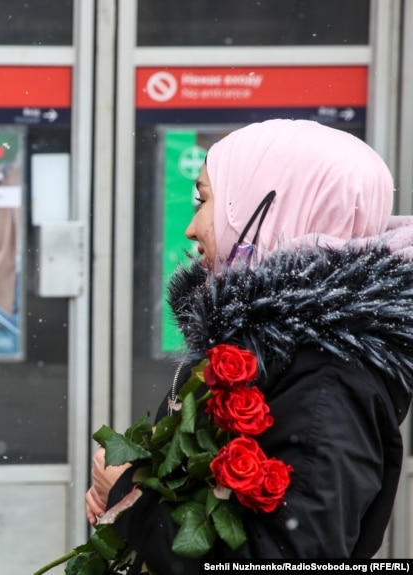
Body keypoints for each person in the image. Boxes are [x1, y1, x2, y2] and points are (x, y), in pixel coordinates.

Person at [85, 119, 413, 571]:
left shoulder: (327, 377)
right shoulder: (283, 350)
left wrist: (128, 496)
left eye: (204, 201)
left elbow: (288, 559)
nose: (192, 228)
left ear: (270, 208)